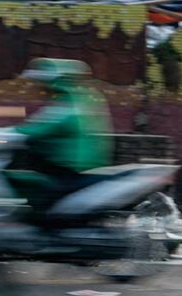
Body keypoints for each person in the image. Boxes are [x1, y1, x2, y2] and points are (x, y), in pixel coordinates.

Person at [12, 57, 113, 213]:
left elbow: (42, 127)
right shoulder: (77, 99)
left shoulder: (68, 104)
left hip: (68, 168)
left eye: (41, 83)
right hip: (73, 166)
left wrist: (9, 133)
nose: (39, 88)